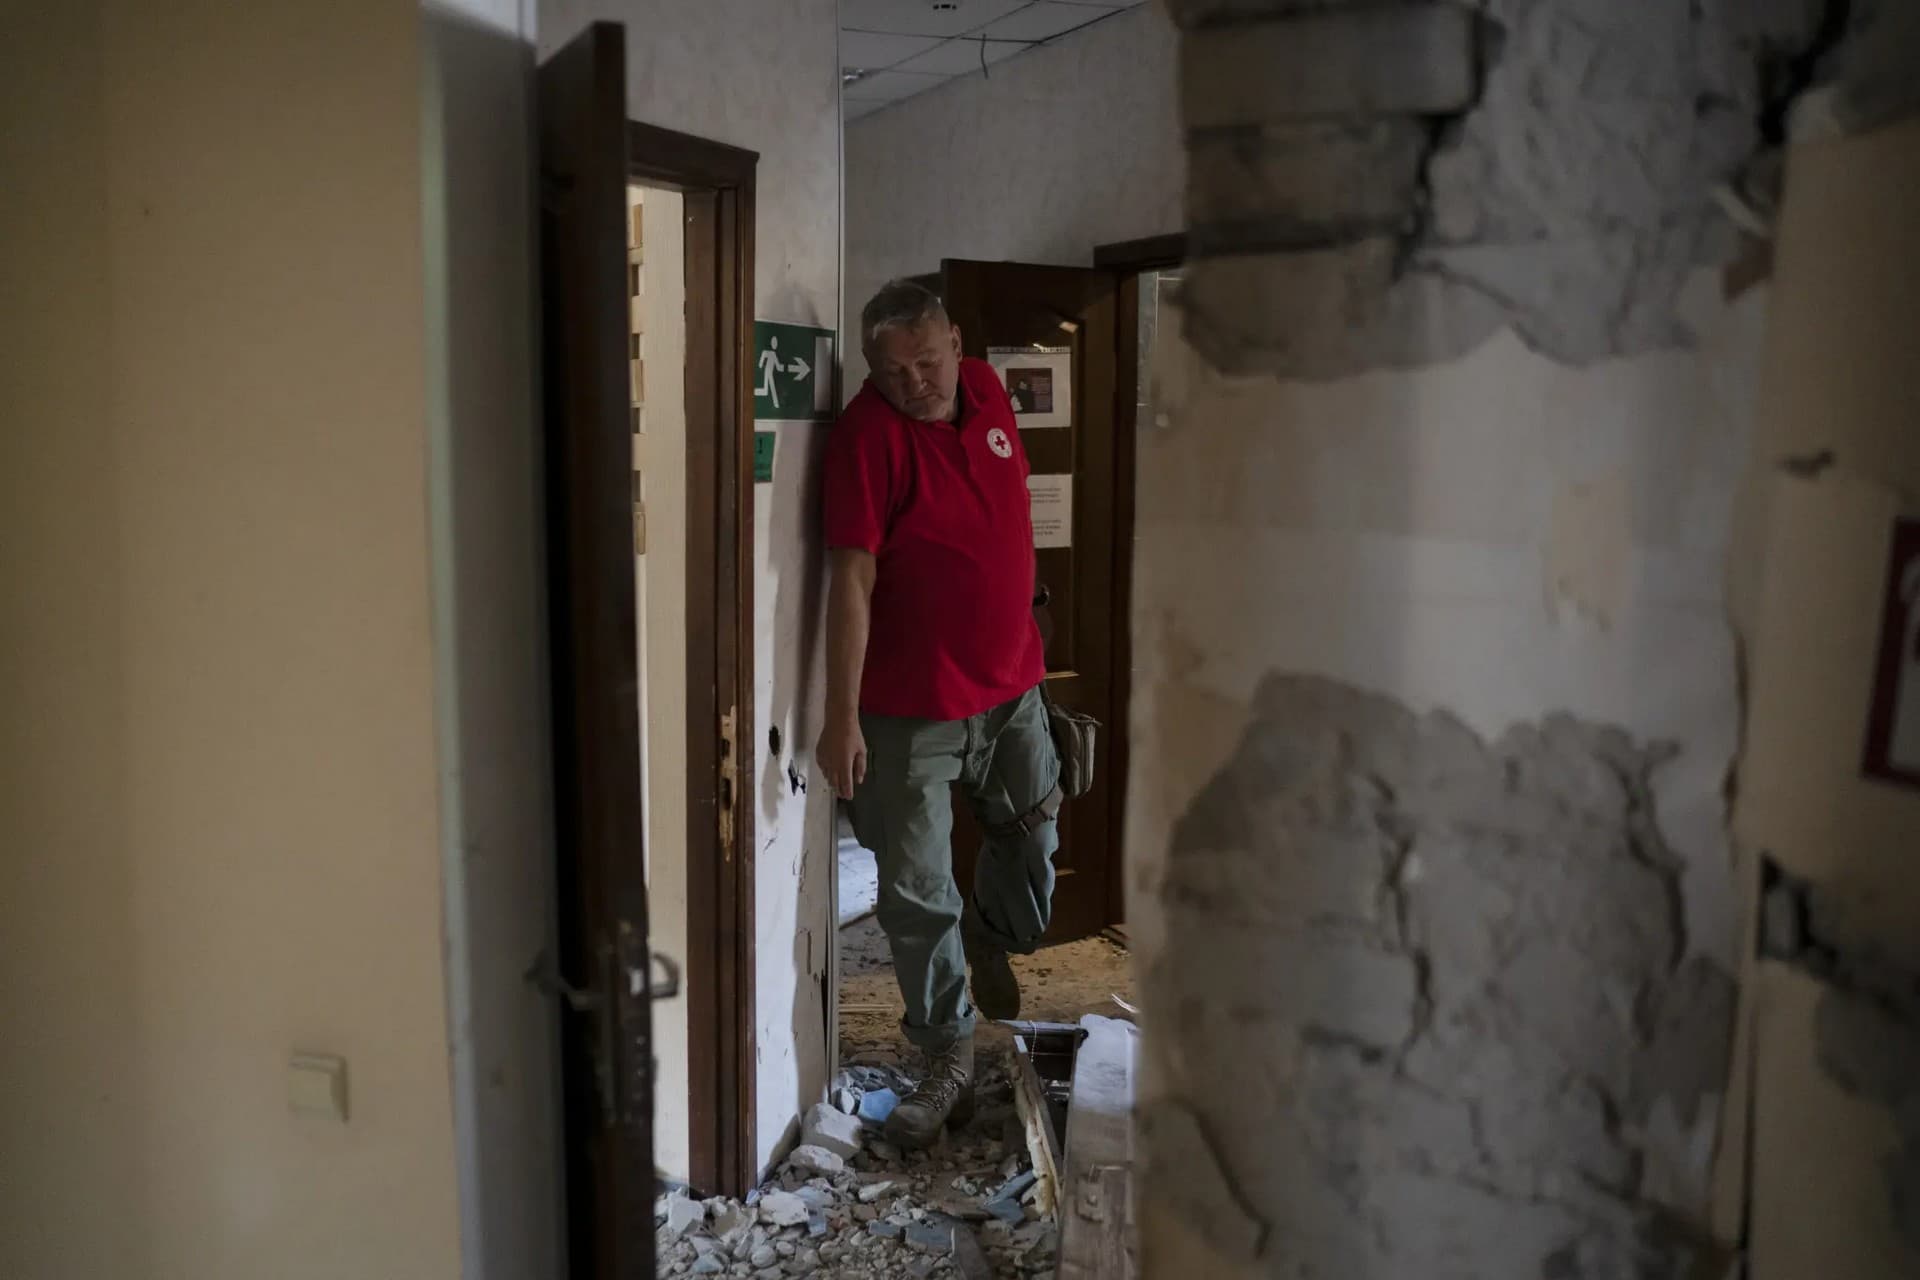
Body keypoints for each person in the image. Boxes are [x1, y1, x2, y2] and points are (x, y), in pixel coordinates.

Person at [819, 279, 1062, 1150]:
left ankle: (994, 937)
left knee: (1034, 835)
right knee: (919, 894)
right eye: (892, 371)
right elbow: (850, 580)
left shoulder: (991, 394)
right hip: (908, 711)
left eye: (927, 362)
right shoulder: (864, 440)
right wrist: (839, 718)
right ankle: (944, 1053)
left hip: (1012, 686)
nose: (915, 383)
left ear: (957, 344)